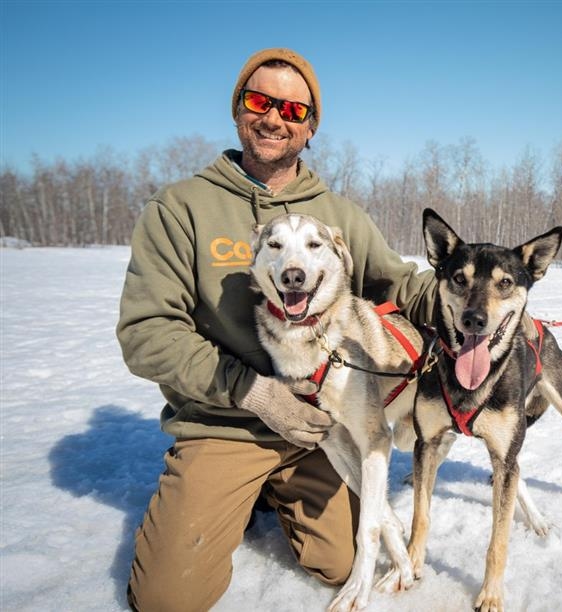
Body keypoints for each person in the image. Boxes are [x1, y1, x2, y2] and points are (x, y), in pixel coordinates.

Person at [117, 48, 436, 611]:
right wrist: (254, 392)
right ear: (239, 109)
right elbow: (147, 332)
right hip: (226, 425)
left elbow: (401, 285)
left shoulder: (336, 215)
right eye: (260, 101)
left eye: (292, 110)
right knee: (167, 599)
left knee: (340, 564)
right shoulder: (181, 208)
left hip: (320, 426)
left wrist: (479, 303)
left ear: (311, 127)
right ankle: (231, 492)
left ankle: (274, 495)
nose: (274, 118)